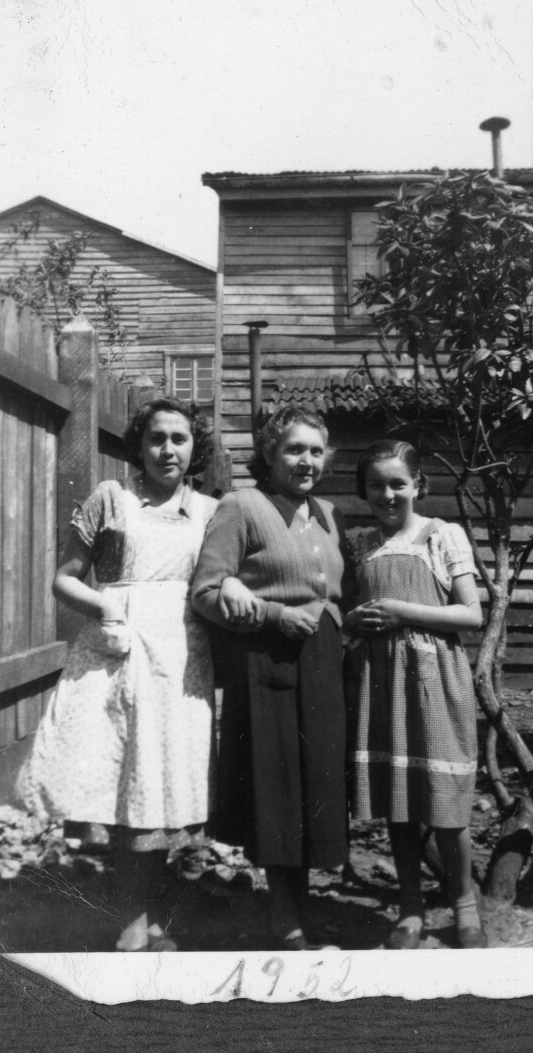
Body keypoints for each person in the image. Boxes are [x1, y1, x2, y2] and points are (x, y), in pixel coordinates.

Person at [17, 399, 217, 952]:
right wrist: (107, 607)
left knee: (163, 789)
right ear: (139, 444)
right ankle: (133, 917)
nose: (168, 449)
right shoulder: (113, 498)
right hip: (118, 653)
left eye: (179, 438)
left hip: (180, 658)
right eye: (157, 438)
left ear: (194, 446)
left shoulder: (207, 511)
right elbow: (65, 579)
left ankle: (157, 916)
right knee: (125, 785)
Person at [191, 404, 354, 951]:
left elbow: (338, 591)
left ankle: (303, 906)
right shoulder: (242, 506)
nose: (305, 460)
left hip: (324, 662)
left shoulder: (329, 513)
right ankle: (282, 915)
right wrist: (272, 615)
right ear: (269, 452)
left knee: (315, 785)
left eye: (315, 450)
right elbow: (208, 592)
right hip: (266, 662)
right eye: (293, 449)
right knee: (278, 785)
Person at [344, 439, 485, 949]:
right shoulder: (358, 544)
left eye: (398, 483)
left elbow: (472, 615)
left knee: (445, 802)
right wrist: (353, 620)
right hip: (380, 683)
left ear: (418, 485)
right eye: (376, 484)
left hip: (434, 680)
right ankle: (409, 907)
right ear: (364, 490)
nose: (387, 494)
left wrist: (403, 611)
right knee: (398, 801)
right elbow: (344, 613)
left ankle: (464, 904)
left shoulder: (440, 535)